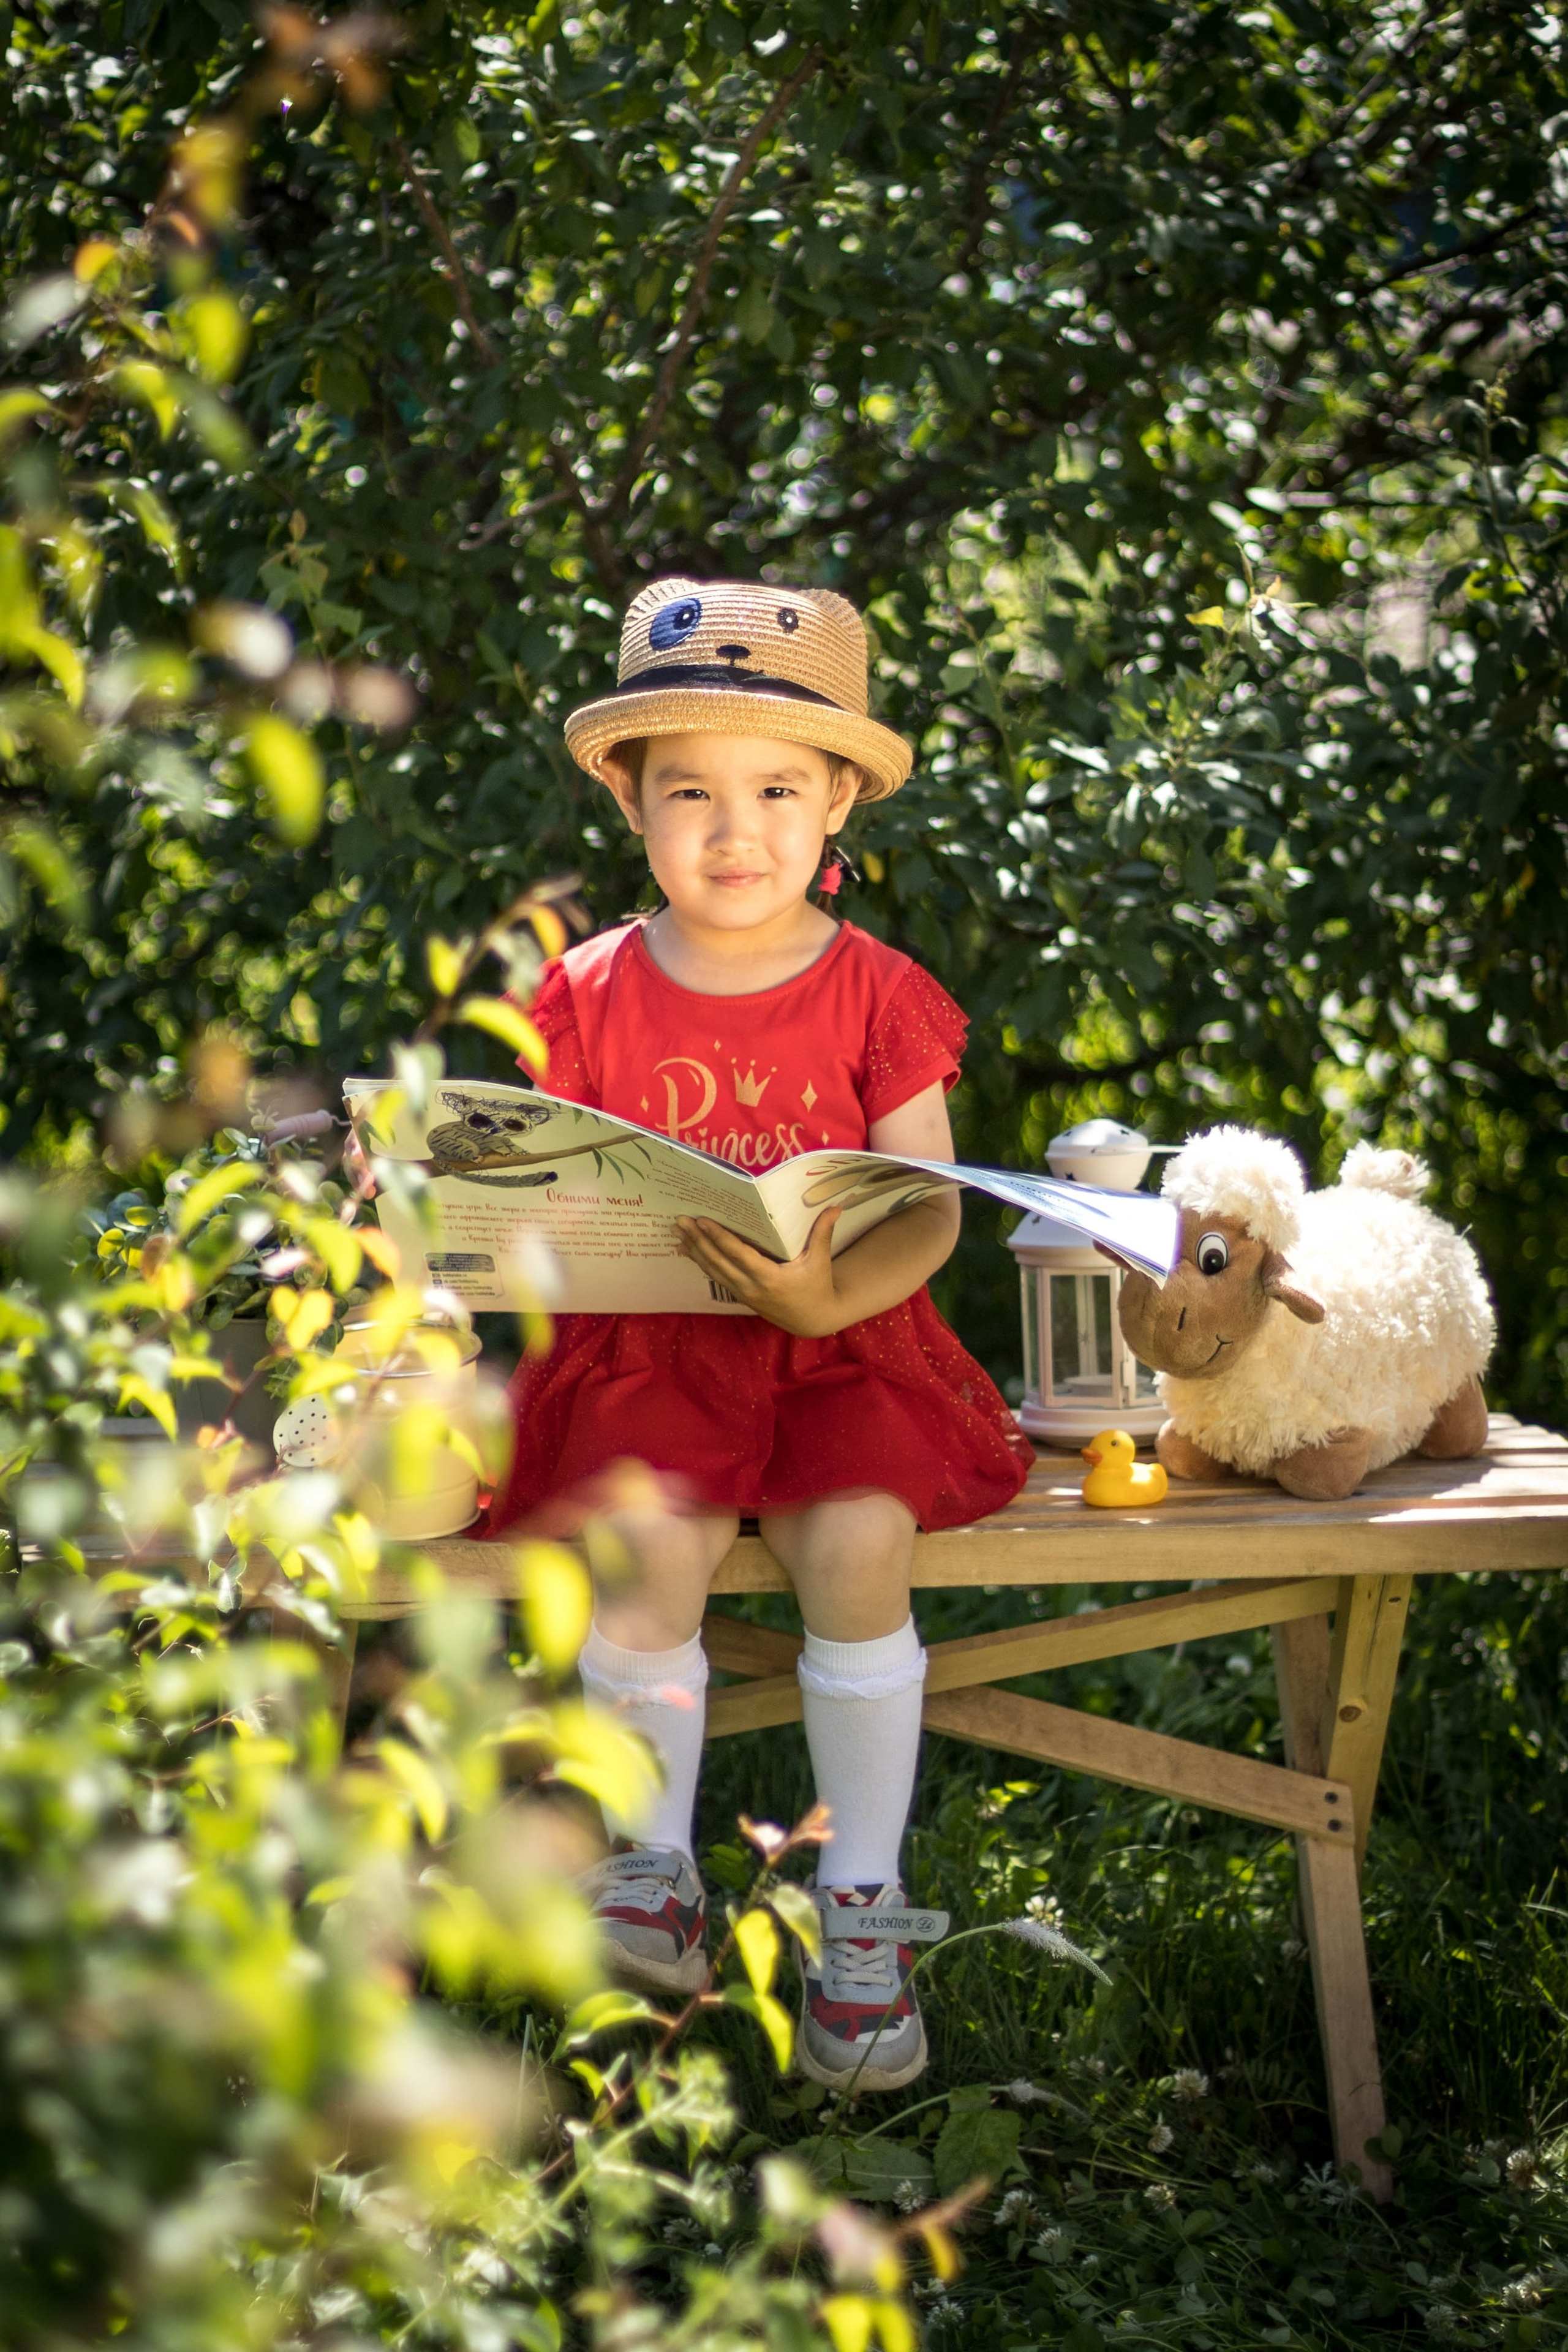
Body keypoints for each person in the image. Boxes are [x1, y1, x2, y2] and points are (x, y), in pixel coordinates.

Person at [487, 577, 1033, 2089]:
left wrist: (826, 1294)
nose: (737, 833)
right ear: (632, 803)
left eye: (779, 789)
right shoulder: (583, 989)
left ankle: (860, 1909)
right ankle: (650, 1870)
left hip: (840, 1342)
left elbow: (925, 1213)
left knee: (859, 1540)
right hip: (652, 1350)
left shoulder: (878, 993)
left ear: (841, 796)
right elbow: (528, 1182)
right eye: (692, 795)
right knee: (650, 1538)